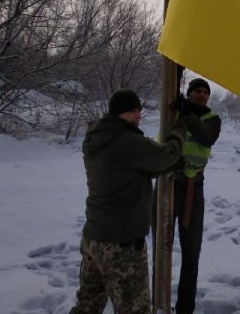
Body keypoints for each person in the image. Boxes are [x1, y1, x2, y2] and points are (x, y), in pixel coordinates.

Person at [71, 88, 185, 314]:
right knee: (134, 309)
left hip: (93, 238)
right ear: (119, 113)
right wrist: (179, 130)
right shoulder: (125, 140)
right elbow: (165, 155)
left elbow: (125, 172)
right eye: (133, 111)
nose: (138, 115)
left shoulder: (96, 137)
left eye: (139, 110)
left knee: (87, 305)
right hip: (120, 244)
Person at [153, 77, 221, 314]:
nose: (202, 95)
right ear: (189, 93)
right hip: (167, 185)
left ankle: (185, 308)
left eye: (205, 92)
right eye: (197, 91)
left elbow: (206, 136)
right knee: (161, 247)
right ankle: (157, 303)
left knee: (191, 253)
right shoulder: (173, 113)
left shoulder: (212, 119)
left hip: (193, 190)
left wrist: (187, 115)